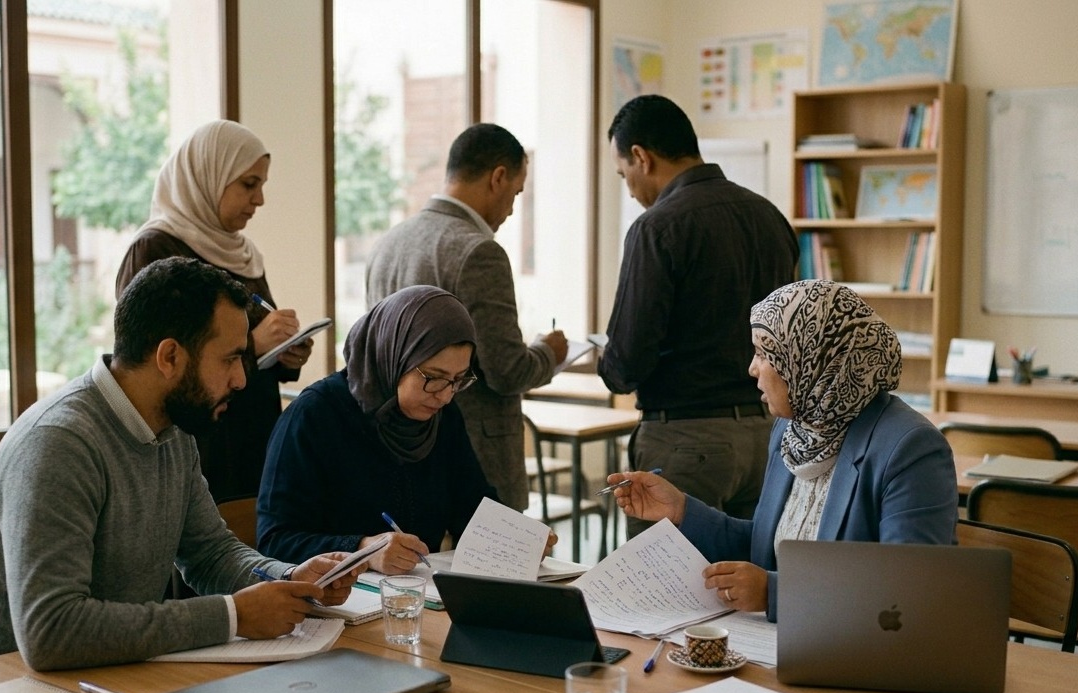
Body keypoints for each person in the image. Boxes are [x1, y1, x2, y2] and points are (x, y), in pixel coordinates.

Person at [0, 257, 360, 671]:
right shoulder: (58, 443)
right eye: (230, 359)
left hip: (102, 675)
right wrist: (232, 616)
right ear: (170, 357)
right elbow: (50, 631)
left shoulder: (173, 428)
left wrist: (288, 579)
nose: (241, 380)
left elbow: (210, 553)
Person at [609, 280, 956, 620]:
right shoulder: (793, 430)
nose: (752, 368)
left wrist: (774, 592)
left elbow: (908, 590)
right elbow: (767, 546)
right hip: (783, 640)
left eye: (764, 353)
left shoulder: (910, 449)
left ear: (812, 359)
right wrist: (681, 510)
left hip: (856, 649)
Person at [599, 95, 797, 538]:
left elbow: (627, 362)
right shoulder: (770, 217)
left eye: (624, 174)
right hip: (766, 435)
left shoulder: (656, 227)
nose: (629, 189)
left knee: (664, 578)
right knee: (747, 572)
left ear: (641, 157)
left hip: (685, 440)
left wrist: (605, 361)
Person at [257, 286, 541, 575]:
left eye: (458, 379)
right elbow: (274, 541)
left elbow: (471, 505)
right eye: (434, 377)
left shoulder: (442, 415)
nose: (445, 395)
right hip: (337, 596)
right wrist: (363, 550)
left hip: (419, 592)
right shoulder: (314, 415)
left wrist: (516, 537)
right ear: (393, 356)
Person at [365, 123, 567, 512]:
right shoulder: (479, 252)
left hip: (400, 448)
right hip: (473, 461)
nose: (512, 209)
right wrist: (550, 352)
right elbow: (507, 371)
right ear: (498, 177)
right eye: (516, 193)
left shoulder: (387, 244)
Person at [116, 119, 311, 502]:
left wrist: (285, 351)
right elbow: (152, 359)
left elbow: (257, 332)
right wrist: (253, 345)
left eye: (262, 185)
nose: (259, 199)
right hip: (197, 444)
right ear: (208, 176)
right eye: (249, 184)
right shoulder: (156, 248)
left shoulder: (243, 253)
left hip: (252, 434)